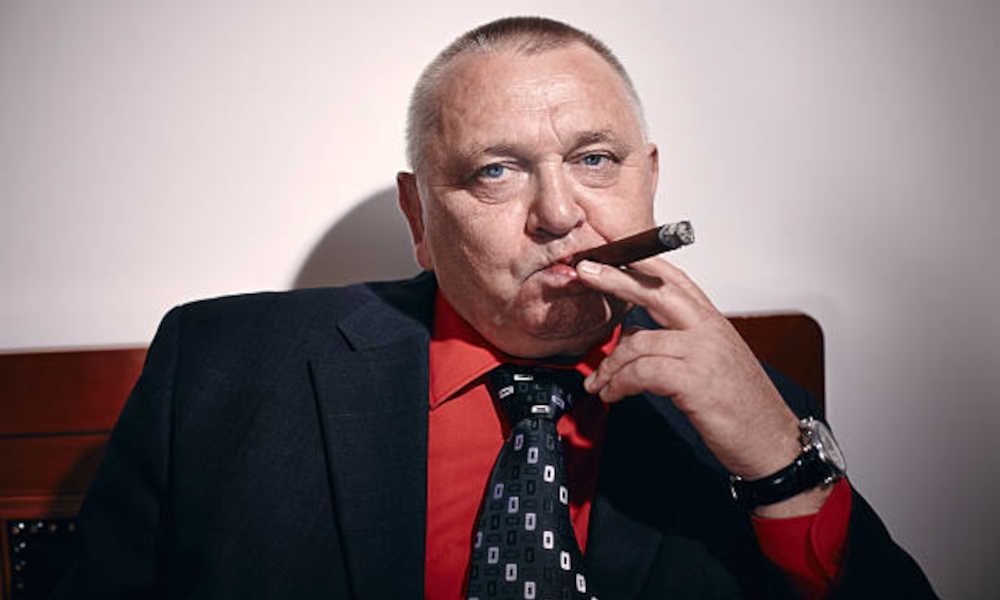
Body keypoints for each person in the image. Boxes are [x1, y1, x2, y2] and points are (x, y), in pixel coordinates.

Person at [54, 16, 934, 599]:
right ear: (418, 218)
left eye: (595, 160)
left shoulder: (760, 415)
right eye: (496, 171)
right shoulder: (220, 367)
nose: (558, 213)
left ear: (650, 181)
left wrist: (781, 461)